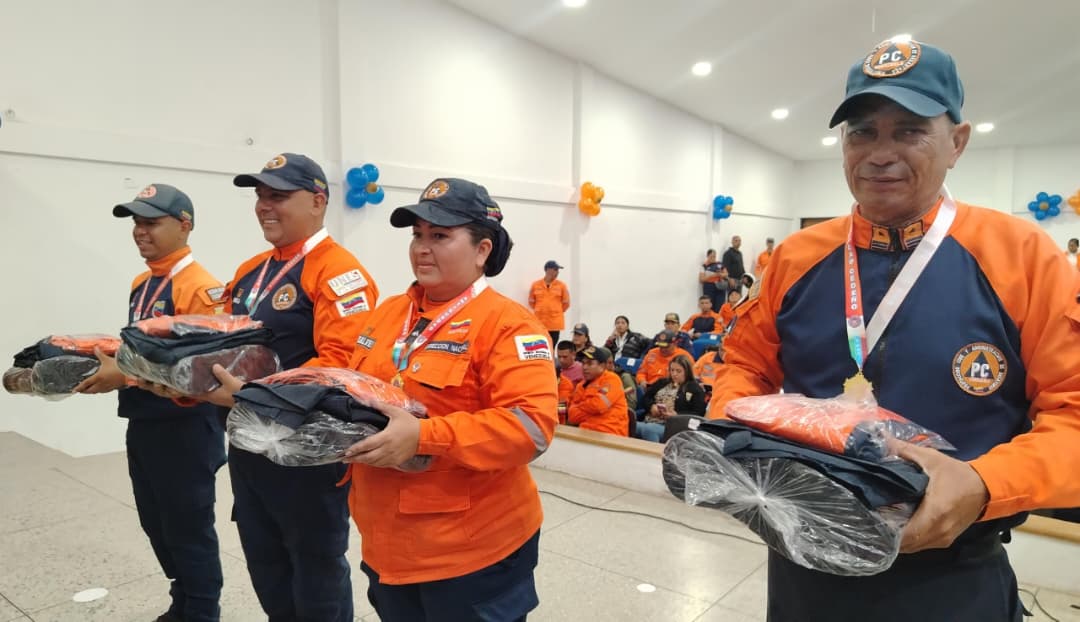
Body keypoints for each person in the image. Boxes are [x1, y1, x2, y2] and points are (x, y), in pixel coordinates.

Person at [707, 38, 1080, 622]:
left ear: (957, 142)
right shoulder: (796, 258)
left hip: (950, 576)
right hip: (804, 563)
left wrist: (986, 482)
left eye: (909, 131)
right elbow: (744, 366)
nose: (880, 153)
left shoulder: (1023, 257)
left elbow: (1074, 416)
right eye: (862, 131)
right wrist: (742, 447)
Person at [341, 177, 558, 621]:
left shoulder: (510, 325)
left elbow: (531, 428)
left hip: (470, 554)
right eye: (417, 235)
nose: (422, 247)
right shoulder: (387, 315)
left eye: (440, 236)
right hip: (386, 543)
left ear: (482, 250)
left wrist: (424, 436)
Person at [197, 153, 379, 621]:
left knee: (316, 568)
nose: (264, 206)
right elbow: (224, 341)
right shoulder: (251, 270)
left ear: (318, 201)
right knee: (265, 560)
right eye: (260, 196)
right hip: (247, 444)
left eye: (278, 195)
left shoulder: (339, 272)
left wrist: (249, 393)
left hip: (307, 454)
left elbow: (340, 366)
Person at [77, 183, 228, 622]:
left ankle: (202, 609)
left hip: (185, 425)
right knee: (157, 522)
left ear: (184, 225)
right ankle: (182, 600)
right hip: (144, 419)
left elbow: (197, 369)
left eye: (151, 222)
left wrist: (121, 374)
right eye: (136, 224)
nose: (140, 232)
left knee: (188, 525)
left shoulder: (202, 289)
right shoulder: (142, 283)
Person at [638, 355, 706, 442]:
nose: (674, 374)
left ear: (687, 372)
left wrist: (677, 416)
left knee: (649, 430)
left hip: (673, 426)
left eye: (678, 371)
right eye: (672, 370)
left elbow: (698, 413)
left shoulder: (694, 388)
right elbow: (646, 397)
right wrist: (651, 407)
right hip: (649, 419)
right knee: (630, 425)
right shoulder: (662, 382)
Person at [566, 346, 629, 437]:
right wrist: (593, 411)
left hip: (610, 435)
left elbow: (599, 405)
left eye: (590, 363)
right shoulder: (581, 385)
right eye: (583, 363)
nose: (585, 367)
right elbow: (572, 416)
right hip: (584, 433)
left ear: (602, 366)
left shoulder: (612, 379)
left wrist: (581, 407)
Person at [528, 259, 570, 345]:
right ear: (547, 270)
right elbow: (531, 302)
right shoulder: (536, 285)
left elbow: (566, 303)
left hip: (555, 325)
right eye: (555, 269)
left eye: (558, 270)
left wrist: (555, 311)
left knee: (552, 346)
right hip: (540, 323)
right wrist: (541, 310)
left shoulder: (562, 286)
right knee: (541, 347)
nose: (557, 272)